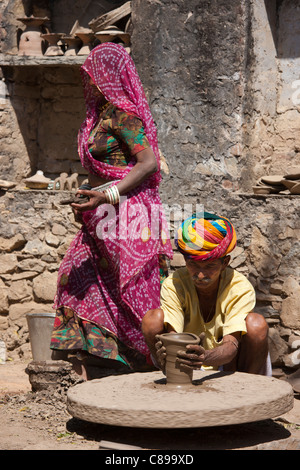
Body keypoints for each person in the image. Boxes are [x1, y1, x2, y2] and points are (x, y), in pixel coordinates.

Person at [50, 43, 173, 379]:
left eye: (93, 75)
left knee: (130, 288)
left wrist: (107, 196)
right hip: (102, 214)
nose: (88, 81)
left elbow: (147, 164)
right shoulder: (99, 116)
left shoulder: (124, 116)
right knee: (78, 277)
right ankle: (104, 359)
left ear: (108, 76)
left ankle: (151, 360)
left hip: (127, 216)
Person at [142, 212, 271, 376]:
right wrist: (171, 354)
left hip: (228, 363)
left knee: (256, 325)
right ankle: (170, 375)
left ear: (225, 263)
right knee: (152, 319)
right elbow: (174, 338)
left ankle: (248, 390)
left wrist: (205, 356)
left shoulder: (238, 287)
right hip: (186, 362)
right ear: (185, 261)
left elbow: (231, 347)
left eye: (209, 266)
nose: (200, 275)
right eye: (193, 265)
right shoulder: (175, 284)